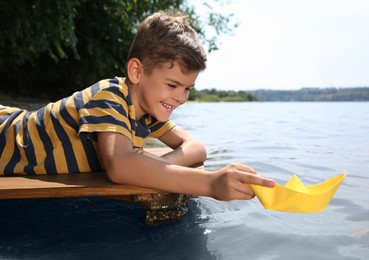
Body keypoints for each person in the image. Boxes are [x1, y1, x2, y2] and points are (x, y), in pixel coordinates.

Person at [0, 10, 275, 201]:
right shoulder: (109, 96)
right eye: (172, 85)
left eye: (187, 88)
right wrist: (211, 183)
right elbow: (121, 167)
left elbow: (196, 148)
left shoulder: (147, 112)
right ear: (136, 72)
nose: (180, 97)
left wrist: (153, 164)